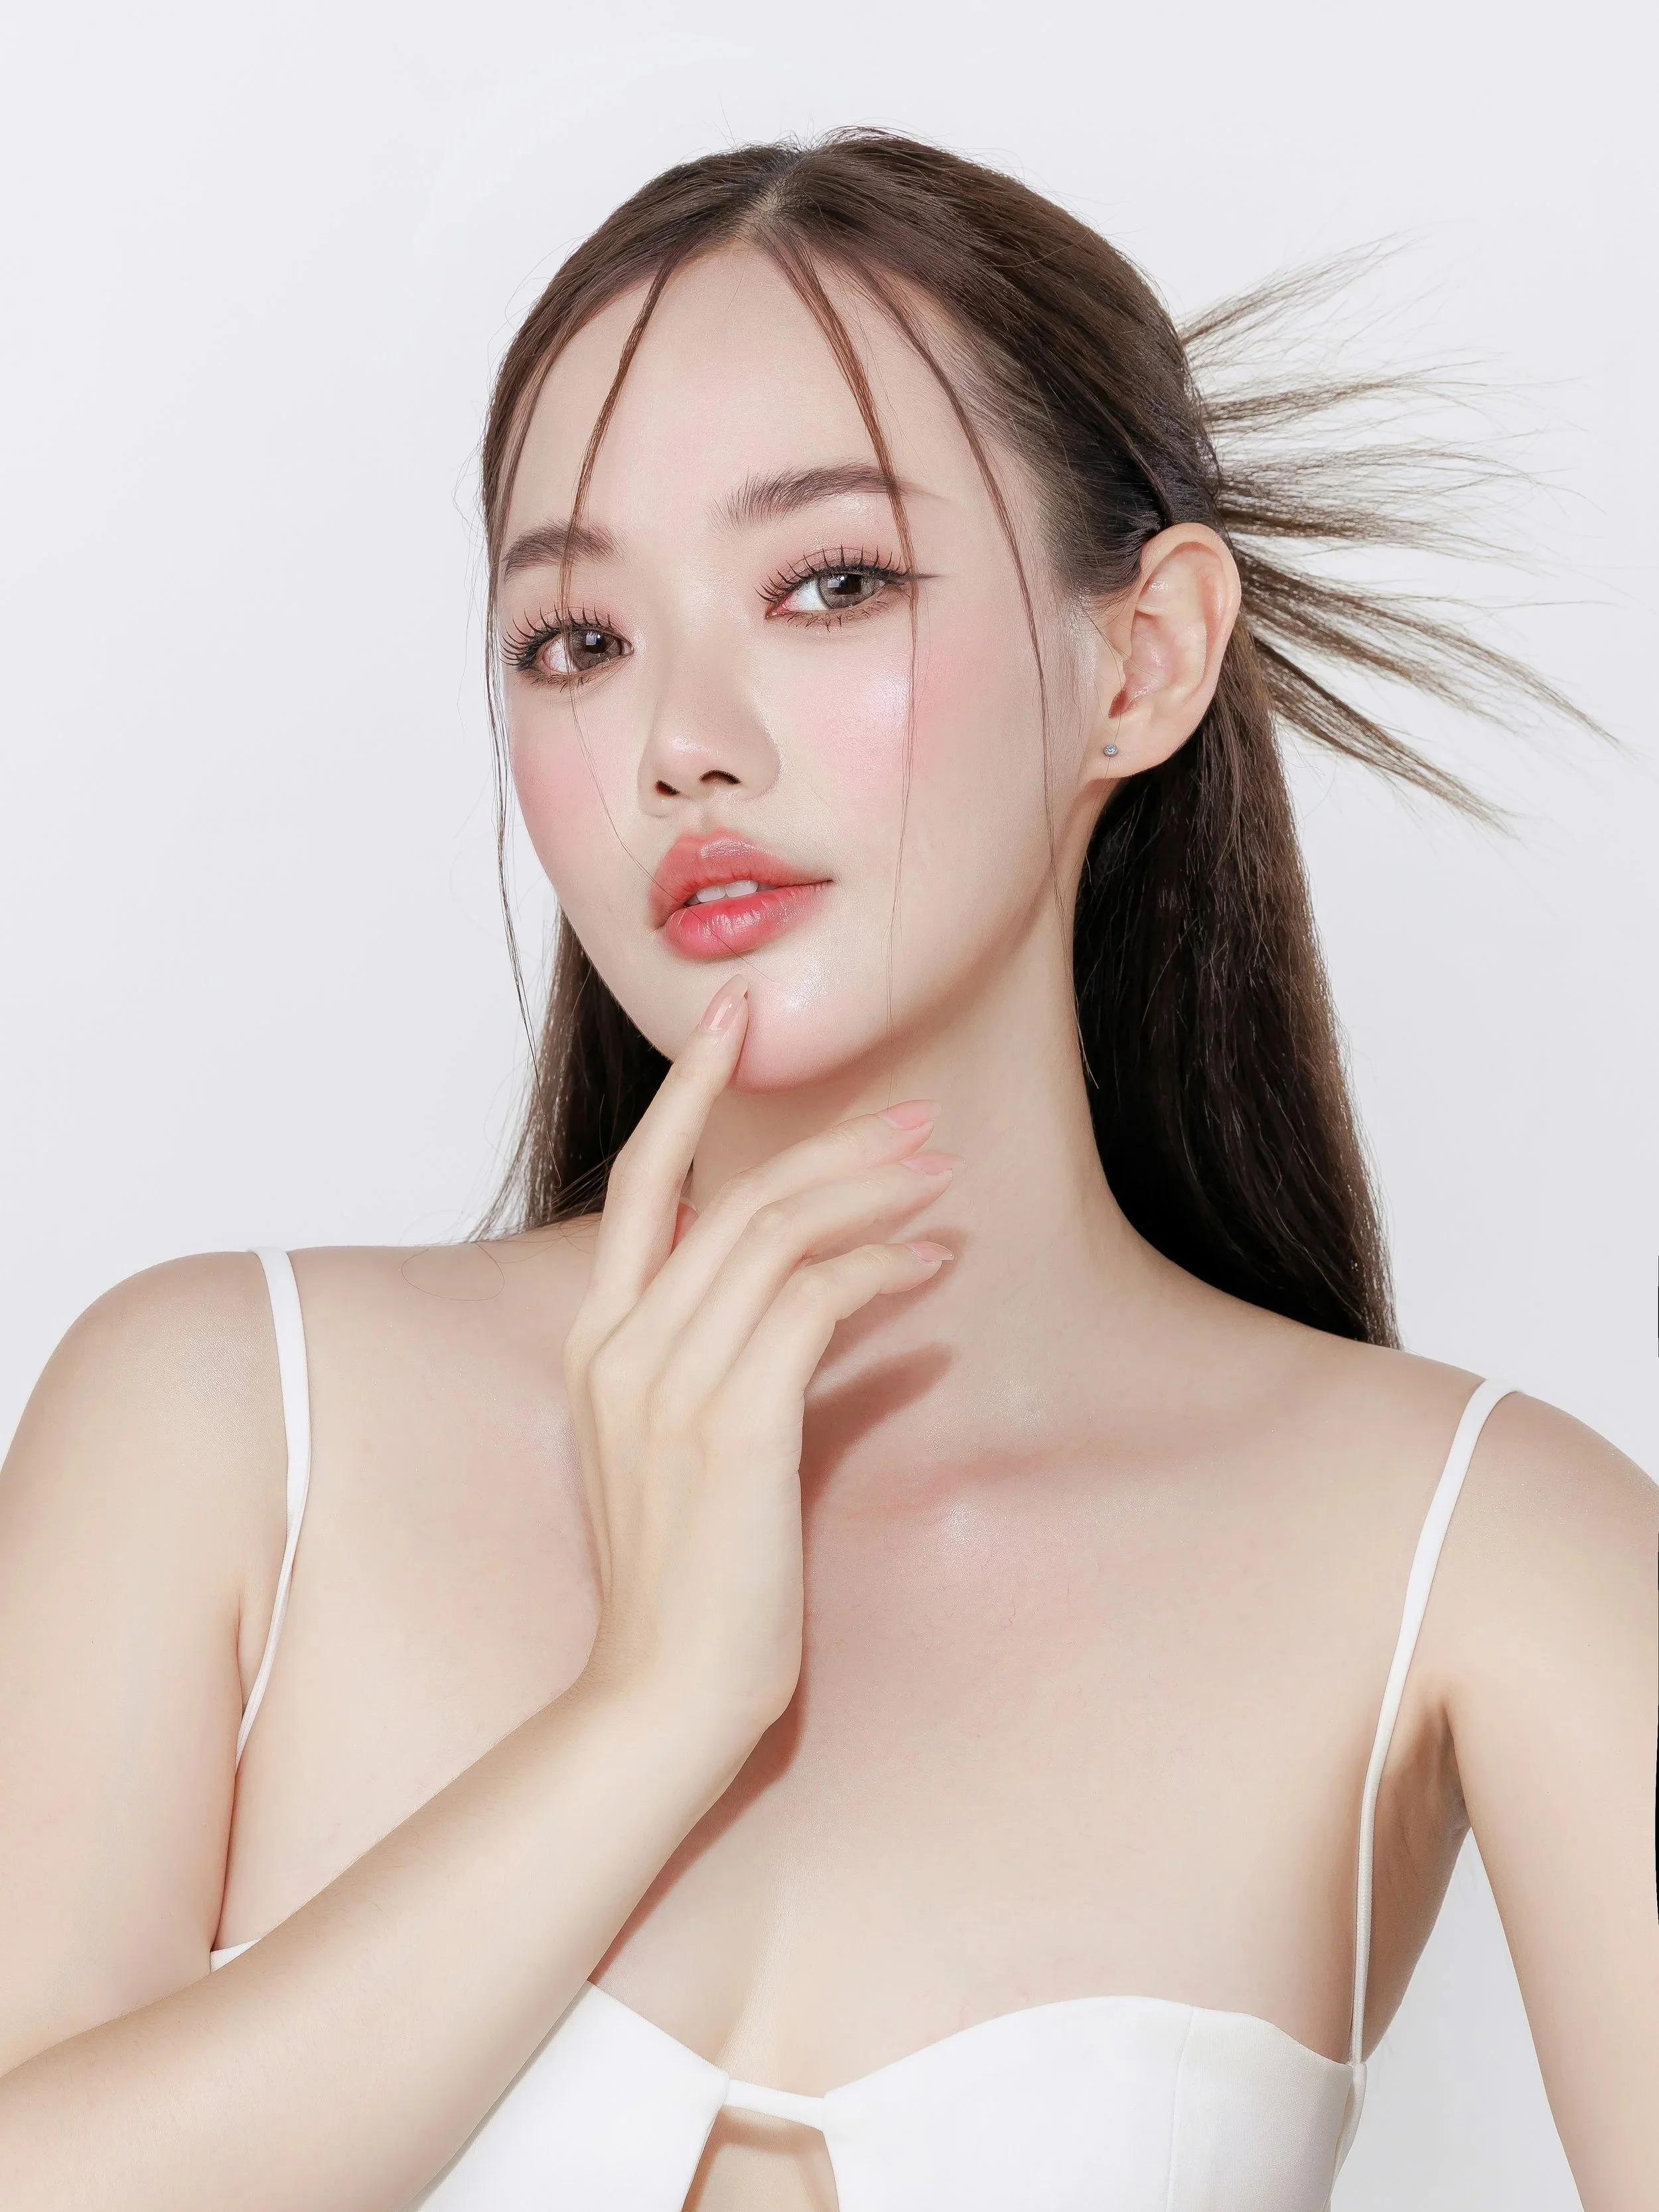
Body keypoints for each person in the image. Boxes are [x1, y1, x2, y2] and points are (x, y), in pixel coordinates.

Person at [0, 131, 1652, 2212]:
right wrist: (649, 1710)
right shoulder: (225, 1417)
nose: (682, 737)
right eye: (575, 638)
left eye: (831, 583)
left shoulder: (1479, 1550)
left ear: (1141, 658)